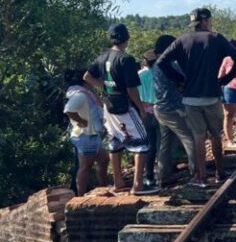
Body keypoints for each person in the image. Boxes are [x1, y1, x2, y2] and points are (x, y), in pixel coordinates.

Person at [156, 8, 236, 187]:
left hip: (190, 97)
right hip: (212, 96)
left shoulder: (182, 40)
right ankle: (220, 172)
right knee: (216, 136)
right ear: (206, 21)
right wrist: (224, 80)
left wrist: (179, 80)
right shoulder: (216, 38)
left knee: (198, 137)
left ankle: (201, 176)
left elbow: (161, 62)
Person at [84, 23, 157, 195]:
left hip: (109, 105)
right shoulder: (126, 59)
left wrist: (105, 87)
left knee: (115, 142)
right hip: (125, 106)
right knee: (143, 143)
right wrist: (141, 108)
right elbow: (131, 89)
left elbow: (87, 76)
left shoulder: (102, 57)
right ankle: (138, 185)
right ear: (127, 38)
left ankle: (118, 182)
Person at [151, 34, 198, 187]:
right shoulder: (170, 64)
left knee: (166, 143)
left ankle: (163, 175)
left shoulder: (156, 65)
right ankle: (196, 173)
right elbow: (184, 81)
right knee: (190, 139)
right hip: (174, 110)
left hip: (161, 108)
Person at [63, 68, 108, 195]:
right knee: (85, 167)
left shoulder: (87, 93)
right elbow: (68, 110)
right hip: (85, 135)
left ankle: (104, 189)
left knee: (104, 160)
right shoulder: (81, 95)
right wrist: (81, 121)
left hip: (93, 134)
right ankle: (80, 198)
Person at [138, 50, 159, 189]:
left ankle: (149, 175)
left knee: (150, 144)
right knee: (162, 143)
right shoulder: (159, 73)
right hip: (160, 109)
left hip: (144, 110)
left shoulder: (139, 74)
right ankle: (164, 172)